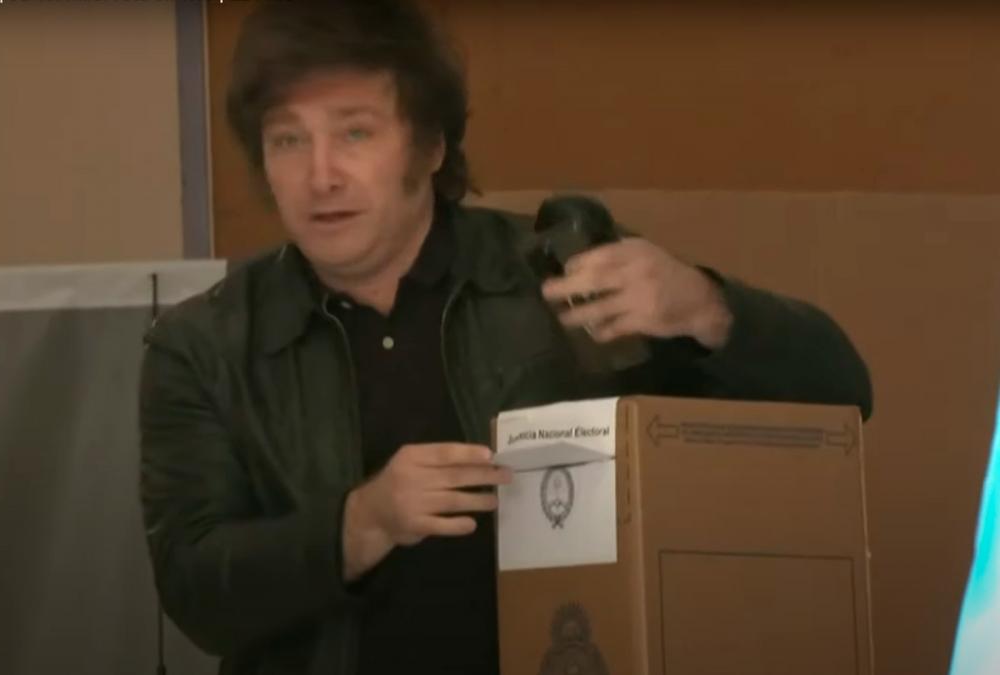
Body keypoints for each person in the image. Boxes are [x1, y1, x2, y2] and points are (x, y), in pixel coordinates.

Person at [138, 2, 873, 674]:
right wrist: (359, 523)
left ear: (430, 145)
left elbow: (843, 397)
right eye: (288, 140)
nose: (320, 175)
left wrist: (707, 308)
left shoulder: (562, 277)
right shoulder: (202, 343)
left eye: (355, 132)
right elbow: (195, 593)